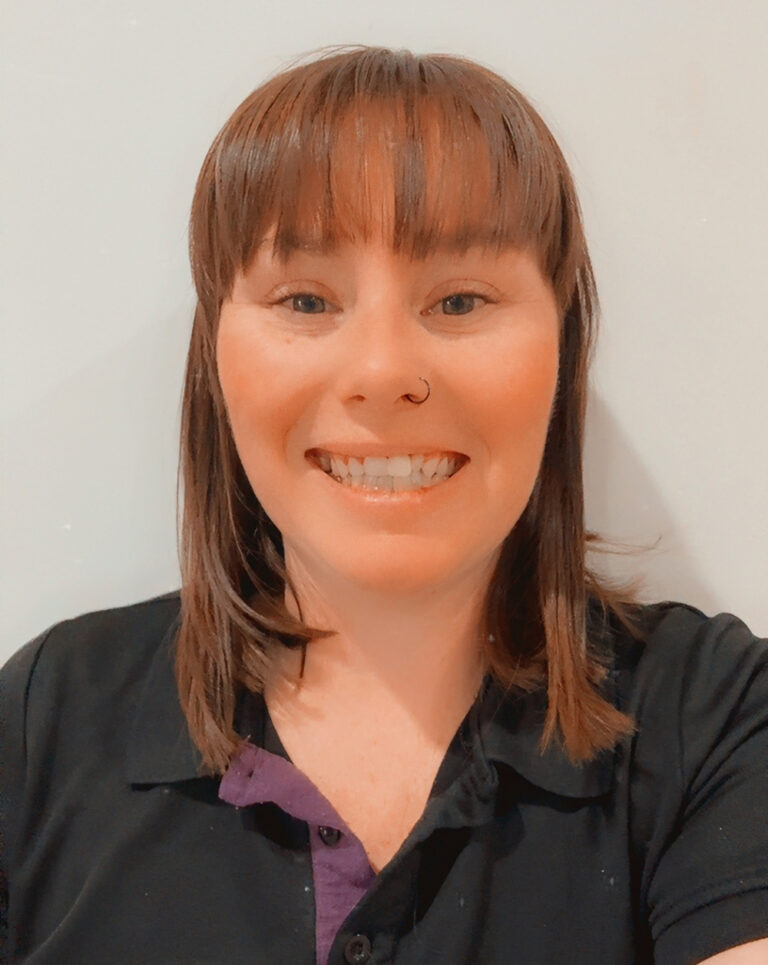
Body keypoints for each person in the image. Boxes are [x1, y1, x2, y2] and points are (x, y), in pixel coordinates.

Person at [1, 44, 766, 965]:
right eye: (307, 299)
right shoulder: (46, 718)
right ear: (216, 359)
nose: (382, 373)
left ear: (562, 349)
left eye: (459, 299)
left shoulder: (713, 718)